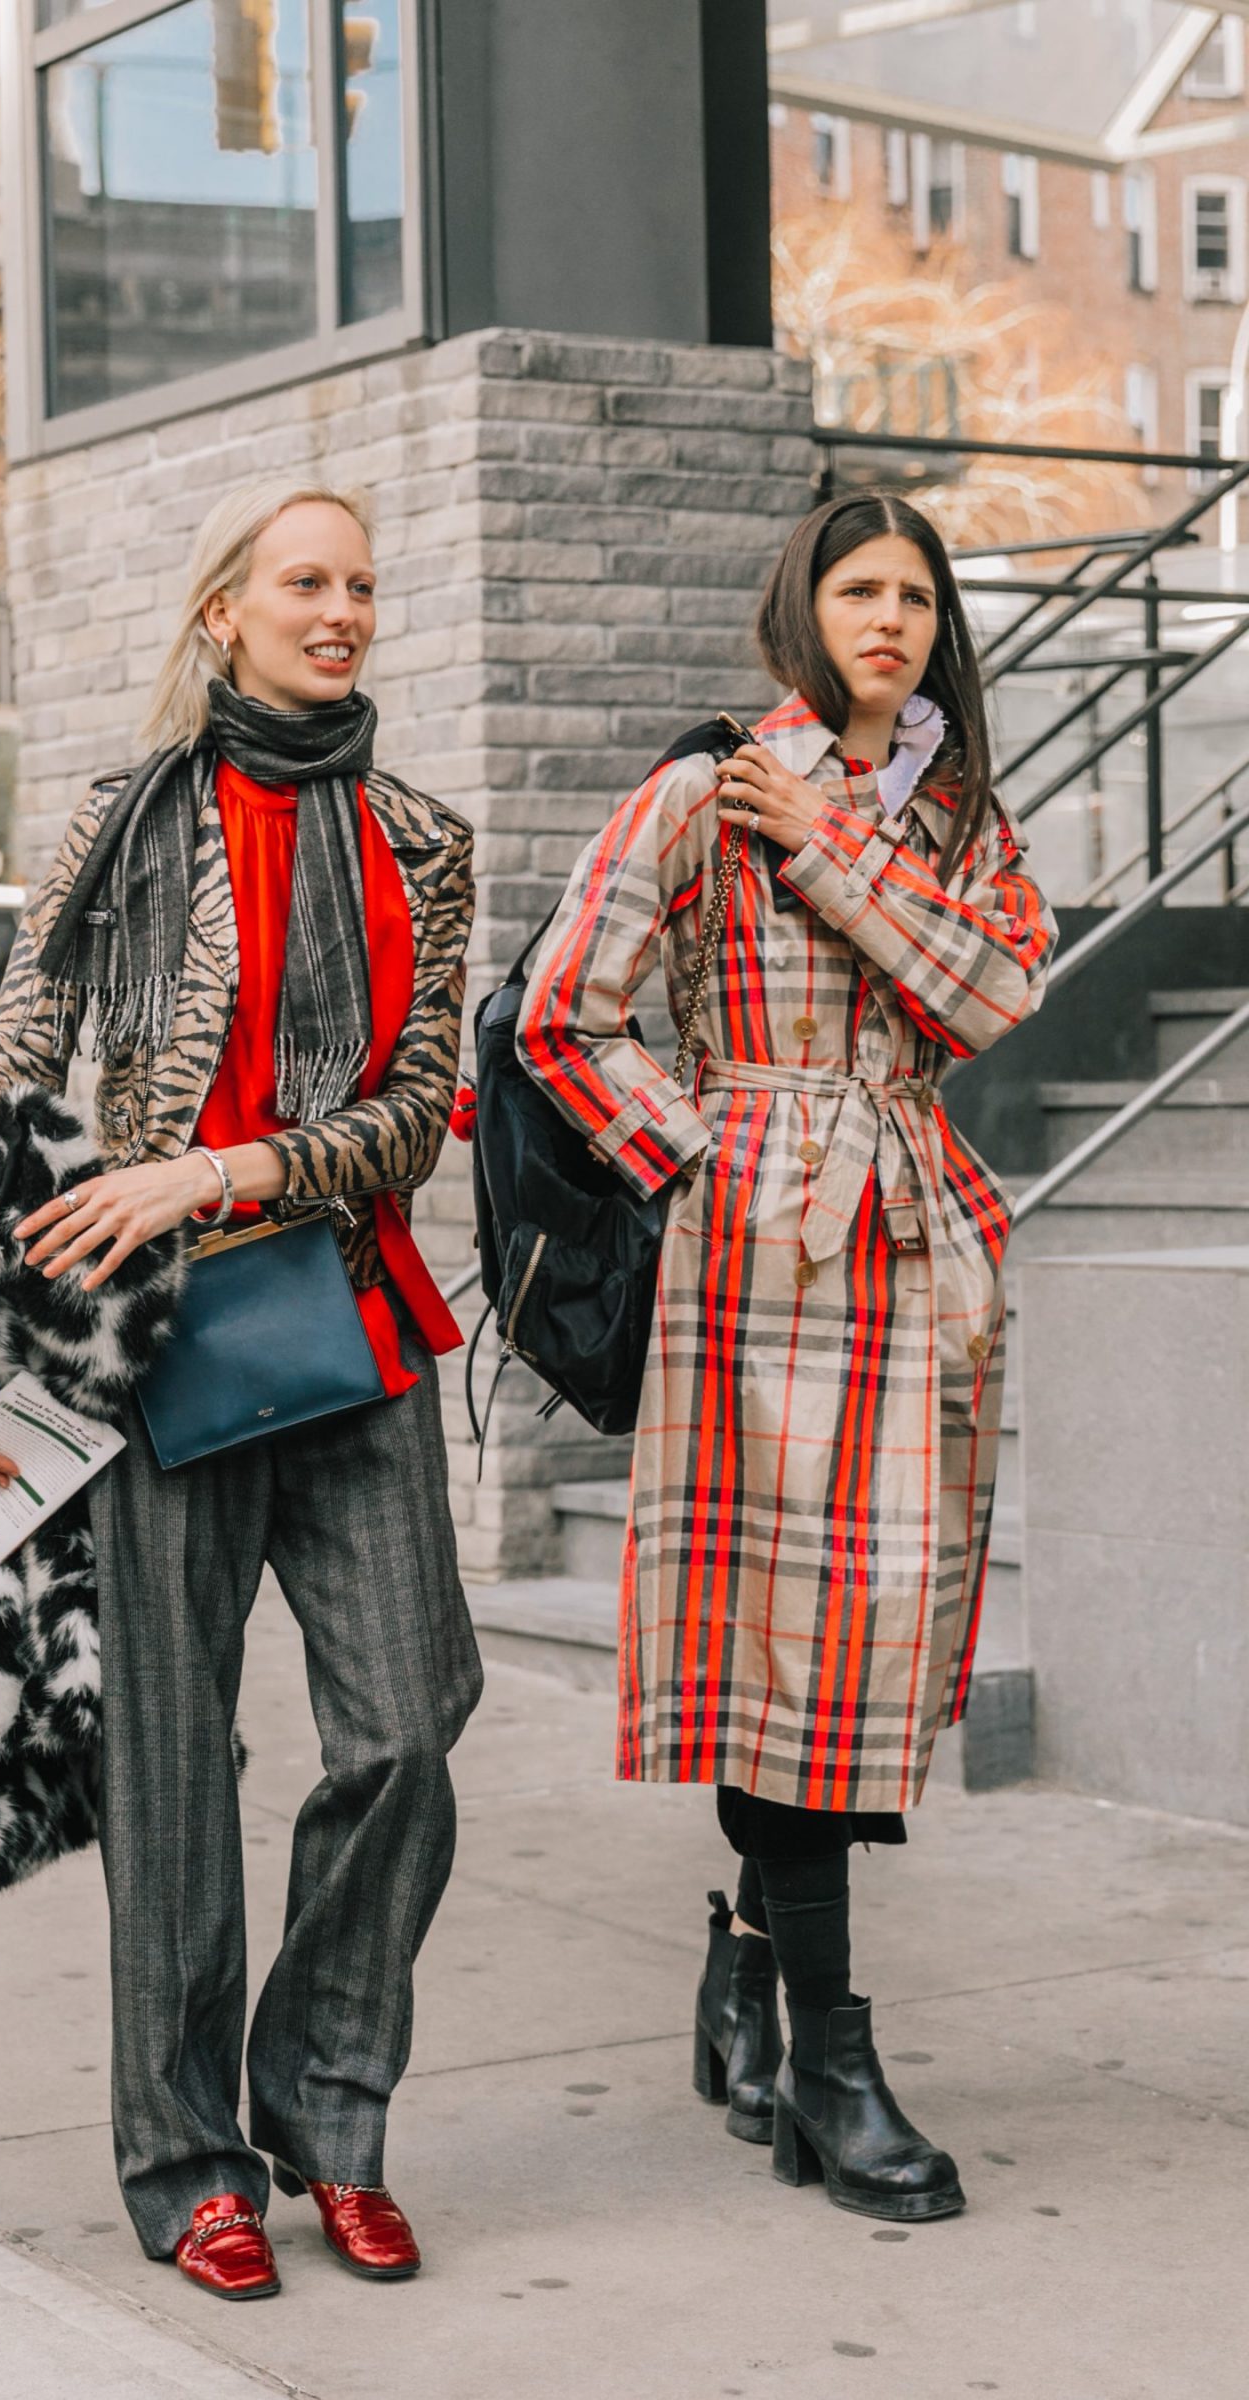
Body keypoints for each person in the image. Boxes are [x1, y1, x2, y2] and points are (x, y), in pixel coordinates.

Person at [0, 475, 483, 2298]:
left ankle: (325, 2102)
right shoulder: (121, 825)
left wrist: (218, 1173)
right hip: (134, 1350)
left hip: (346, 1328)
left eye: (363, 585)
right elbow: (13, 1082)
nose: (343, 610)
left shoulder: (423, 841)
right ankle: (187, 2162)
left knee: (406, 1723)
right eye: (305, 581)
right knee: (166, 1768)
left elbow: (410, 1114)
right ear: (222, 611)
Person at [518, 490, 1056, 2223]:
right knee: (794, 1643)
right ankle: (831, 2059)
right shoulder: (703, 785)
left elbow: (989, 998)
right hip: (758, 1257)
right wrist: (696, 1163)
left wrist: (829, 847)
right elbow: (560, 1007)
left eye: (913, 594)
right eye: (855, 589)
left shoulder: (956, 811)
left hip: (918, 1241)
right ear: (801, 605)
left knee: (877, 1642)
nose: (886, 619)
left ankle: (749, 1972)